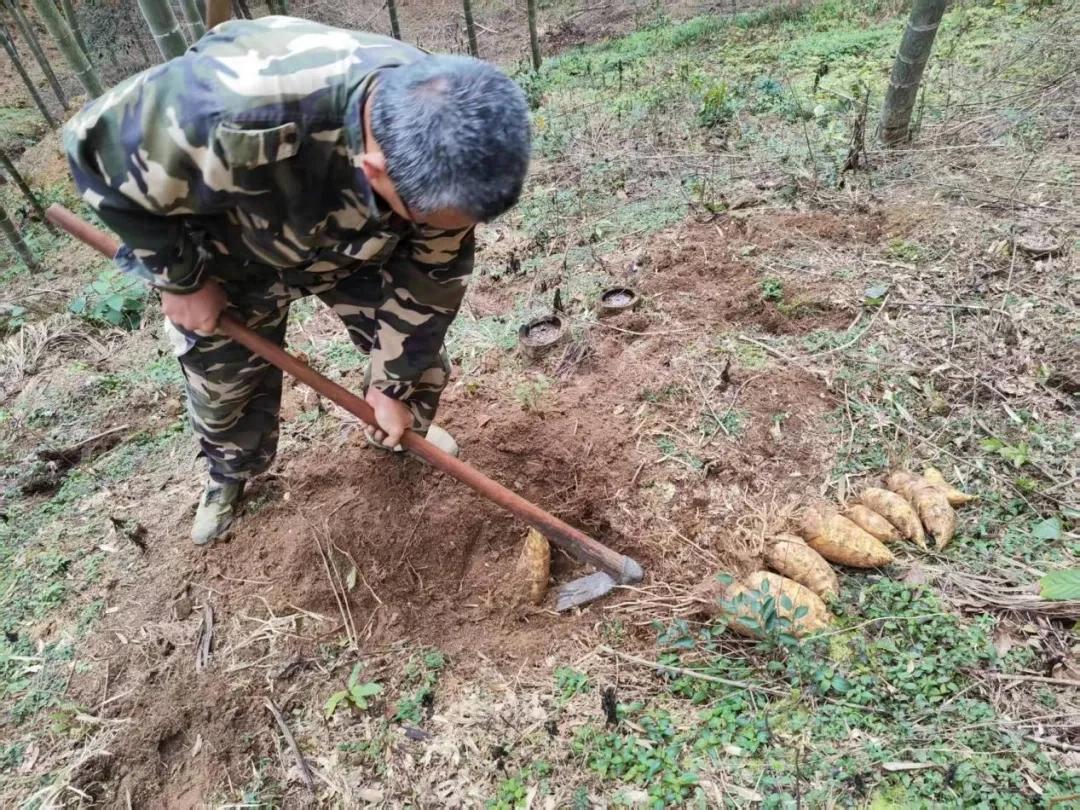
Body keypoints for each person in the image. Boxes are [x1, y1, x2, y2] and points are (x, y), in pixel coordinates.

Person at [63, 16, 531, 546]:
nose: (449, 228)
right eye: (428, 217)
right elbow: (90, 149)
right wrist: (180, 278)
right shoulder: (225, 108)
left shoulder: (455, 135)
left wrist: (390, 385)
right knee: (224, 393)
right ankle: (230, 476)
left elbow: (433, 274)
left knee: (418, 363)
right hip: (228, 254)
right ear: (376, 169)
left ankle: (399, 430)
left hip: (357, 246)